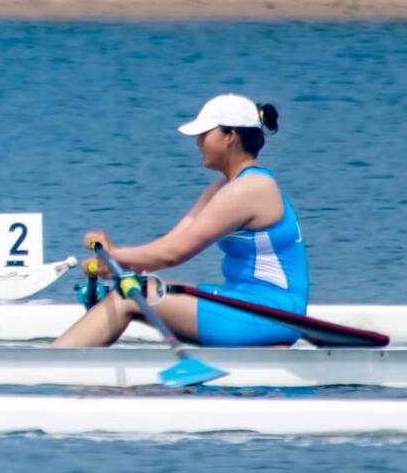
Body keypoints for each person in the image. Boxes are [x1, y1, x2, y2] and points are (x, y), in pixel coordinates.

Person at [49, 95, 303, 349]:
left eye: (204, 133)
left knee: (129, 296)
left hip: (271, 313)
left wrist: (117, 255)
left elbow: (173, 254)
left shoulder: (251, 188)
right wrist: (119, 261)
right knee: (145, 287)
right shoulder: (224, 187)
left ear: (230, 136)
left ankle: (51, 365)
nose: (198, 142)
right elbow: (170, 242)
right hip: (246, 305)